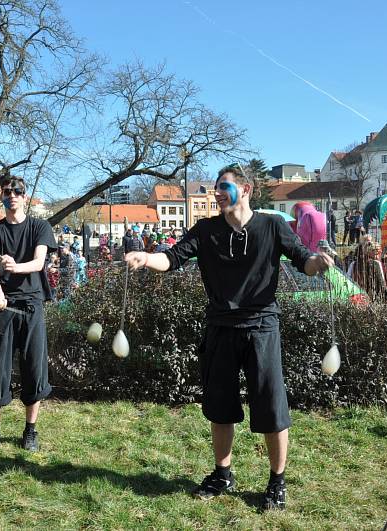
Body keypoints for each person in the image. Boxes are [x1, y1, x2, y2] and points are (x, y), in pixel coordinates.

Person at [125, 165, 332, 512]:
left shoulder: (272, 226)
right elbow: (172, 258)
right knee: (219, 407)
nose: (217, 193)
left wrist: (318, 262)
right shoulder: (206, 230)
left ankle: (276, 483)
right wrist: (146, 258)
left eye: (224, 187)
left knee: (271, 406)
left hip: (262, 326)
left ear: (246, 189)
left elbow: (303, 260)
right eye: (216, 188)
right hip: (220, 325)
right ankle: (223, 473)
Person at [0, 175, 57, 453]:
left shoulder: (40, 227)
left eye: (17, 191)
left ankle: (30, 431)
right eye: (7, 191)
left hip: (32, 306)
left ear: (25, 196)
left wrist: (14, 266)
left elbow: (38, 262)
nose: (12, 195)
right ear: (2, 197)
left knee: (34, 368)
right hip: (3, 307)